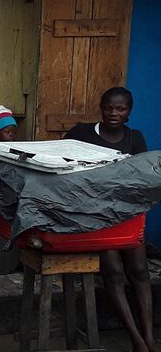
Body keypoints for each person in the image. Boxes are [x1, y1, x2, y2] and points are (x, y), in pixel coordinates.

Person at [64, 87, 156, 352]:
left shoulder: (134, 138)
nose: (114, 113)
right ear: (101, 108)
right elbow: (63, 165)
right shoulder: (81, 133)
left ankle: (149, 336)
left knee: (139, 270)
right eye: (109, 108)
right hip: (95, 215)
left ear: (129, 112)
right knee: (113, 272)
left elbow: (142, 178)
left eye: (121, 109)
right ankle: (136, 340)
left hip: (128, 212)